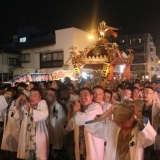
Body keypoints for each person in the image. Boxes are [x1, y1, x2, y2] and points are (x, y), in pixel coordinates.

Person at [85, 101, 156, 160]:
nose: (119, 124)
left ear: (131, 118)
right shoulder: (113, 126)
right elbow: (92, 127)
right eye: (116, 121)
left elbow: (151, 138)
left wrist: (140, 116)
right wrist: (109, 112)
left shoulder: (140, 129)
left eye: (122, 122)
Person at [13, 88, 49, 160]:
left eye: (35, 95)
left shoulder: (42, 103)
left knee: (39, 156)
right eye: (31, 95)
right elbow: (17, 117)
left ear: (40, 96)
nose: (32, 97)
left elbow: (45, 114)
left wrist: (30, 110)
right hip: (26, 139)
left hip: (38, 138)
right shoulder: (27, 105)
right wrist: (17, 104)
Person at [73, 87, 105, 160]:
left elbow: (81, 120)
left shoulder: (96, 107)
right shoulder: (80, 108)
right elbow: (70, 125)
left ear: (91, 96)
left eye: (85, 94)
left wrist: (76, 112)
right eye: (80, 95)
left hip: (93, 145)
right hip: (81, 144)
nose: (83, 97)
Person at [45, 88, 66, 160]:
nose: (48, 96)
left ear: (55, 98)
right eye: (47, 94)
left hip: (55, 136)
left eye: (50, 95)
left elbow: (61, 124)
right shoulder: (44, 106)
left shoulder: (58, 107)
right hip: (46, 136)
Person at [141, 86, 160, 159]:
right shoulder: (139, 106)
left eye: (147, 92)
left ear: (153, 95)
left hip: (153, 138)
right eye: (143, 92)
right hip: (142, 137)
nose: (145, 94)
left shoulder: (157, 107)